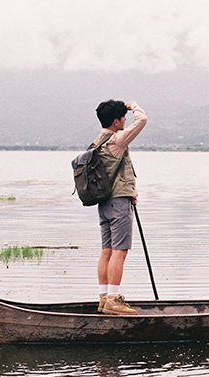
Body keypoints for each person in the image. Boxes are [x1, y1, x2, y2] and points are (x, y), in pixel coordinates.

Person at [94, 100, 147, 315]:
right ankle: (114, 300)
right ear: (116, 121)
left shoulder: (98, 141)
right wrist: (133, 106)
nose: (126, 120)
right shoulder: (117, 139)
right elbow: (142, 120)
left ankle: (104, 299)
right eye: (123, 118)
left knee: (107, 250)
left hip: (104, 203)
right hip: (118, 203)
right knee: (119, 251)